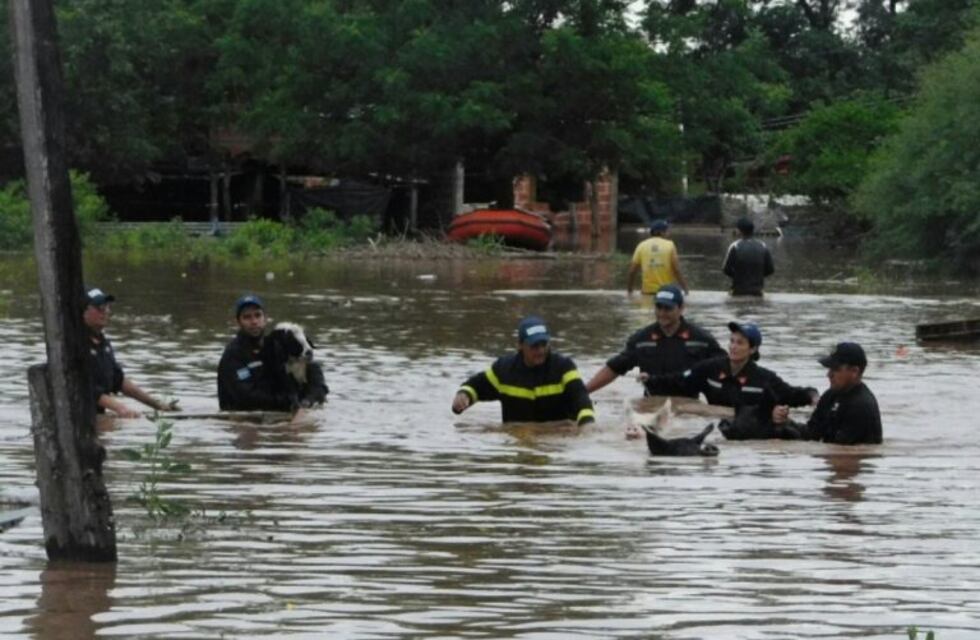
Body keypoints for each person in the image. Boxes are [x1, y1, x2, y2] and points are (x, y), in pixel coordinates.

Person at [649, 321, 817, 439]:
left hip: (744, 431)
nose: (733, 347)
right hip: (711, 427)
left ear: (753, 349)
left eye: (740, 343)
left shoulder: (764, 378)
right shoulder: (710, 368)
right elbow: (679, 380)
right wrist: (651, 379)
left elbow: (793, 395)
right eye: (731, 341)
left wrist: (813, 397)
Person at [451, 316, 595, 425]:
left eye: (544, 344)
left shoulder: (564, 367)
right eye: (535, 346)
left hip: (556, 442)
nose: (541, 351)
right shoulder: (504, 369)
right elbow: (477, 386)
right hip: (518, 442)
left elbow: (580, 398)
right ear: (520, 345)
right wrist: (463, 395)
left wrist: (587, 426)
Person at [586, 285, 724, 396]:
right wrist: (584, 392)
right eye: (658, 307)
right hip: (651, 404)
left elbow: (727, 367)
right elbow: (615, 368)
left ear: (681, 308)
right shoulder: (641, 340)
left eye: (668, 308)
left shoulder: (702, 340)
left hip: (689, 404)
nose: (662, 313)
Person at [217, 294, 328, 411]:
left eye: (257, 315)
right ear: (238, 322)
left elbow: (316, 379)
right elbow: (245, 396)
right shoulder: (233, 355)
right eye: (247, 317)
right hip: (243, 416)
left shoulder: (278, 345)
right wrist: (287, 401)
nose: (254, 321)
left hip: (280, 411)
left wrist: (306, 402)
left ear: (265, 319)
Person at [84, 287, 179, 418]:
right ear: (82, 311)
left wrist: (157, 405)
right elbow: (85, 388)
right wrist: (120, 408)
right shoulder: (74, 346)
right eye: (100, 307)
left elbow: (119, 380)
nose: (106, 312)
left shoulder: (103, 344)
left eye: (107, 307)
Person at [774, 342, 883, 445]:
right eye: (829, 368)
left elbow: (841, 452)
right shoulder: (830, 395)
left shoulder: (861, 406)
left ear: (854, 371)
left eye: (835, 369)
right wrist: (785, 422)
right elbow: (812, 433)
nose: (829, 374)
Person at [627, 219, 689, 296]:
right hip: (666, 292)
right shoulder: (670, 245)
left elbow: (632, 271)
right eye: (667, 230)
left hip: (647, 292)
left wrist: (629, 291)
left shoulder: (641, 245)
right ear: (661, 232)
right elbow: (676, 269)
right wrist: (686, 289)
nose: (668, 233)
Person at [722, 217, 774, 296]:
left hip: (738, 290)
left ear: (739, 230)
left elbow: (726, 270)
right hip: (757, 291)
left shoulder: (734, 246)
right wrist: (757, 275)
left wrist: (738, 276)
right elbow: (770, 270)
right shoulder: (763, 246)